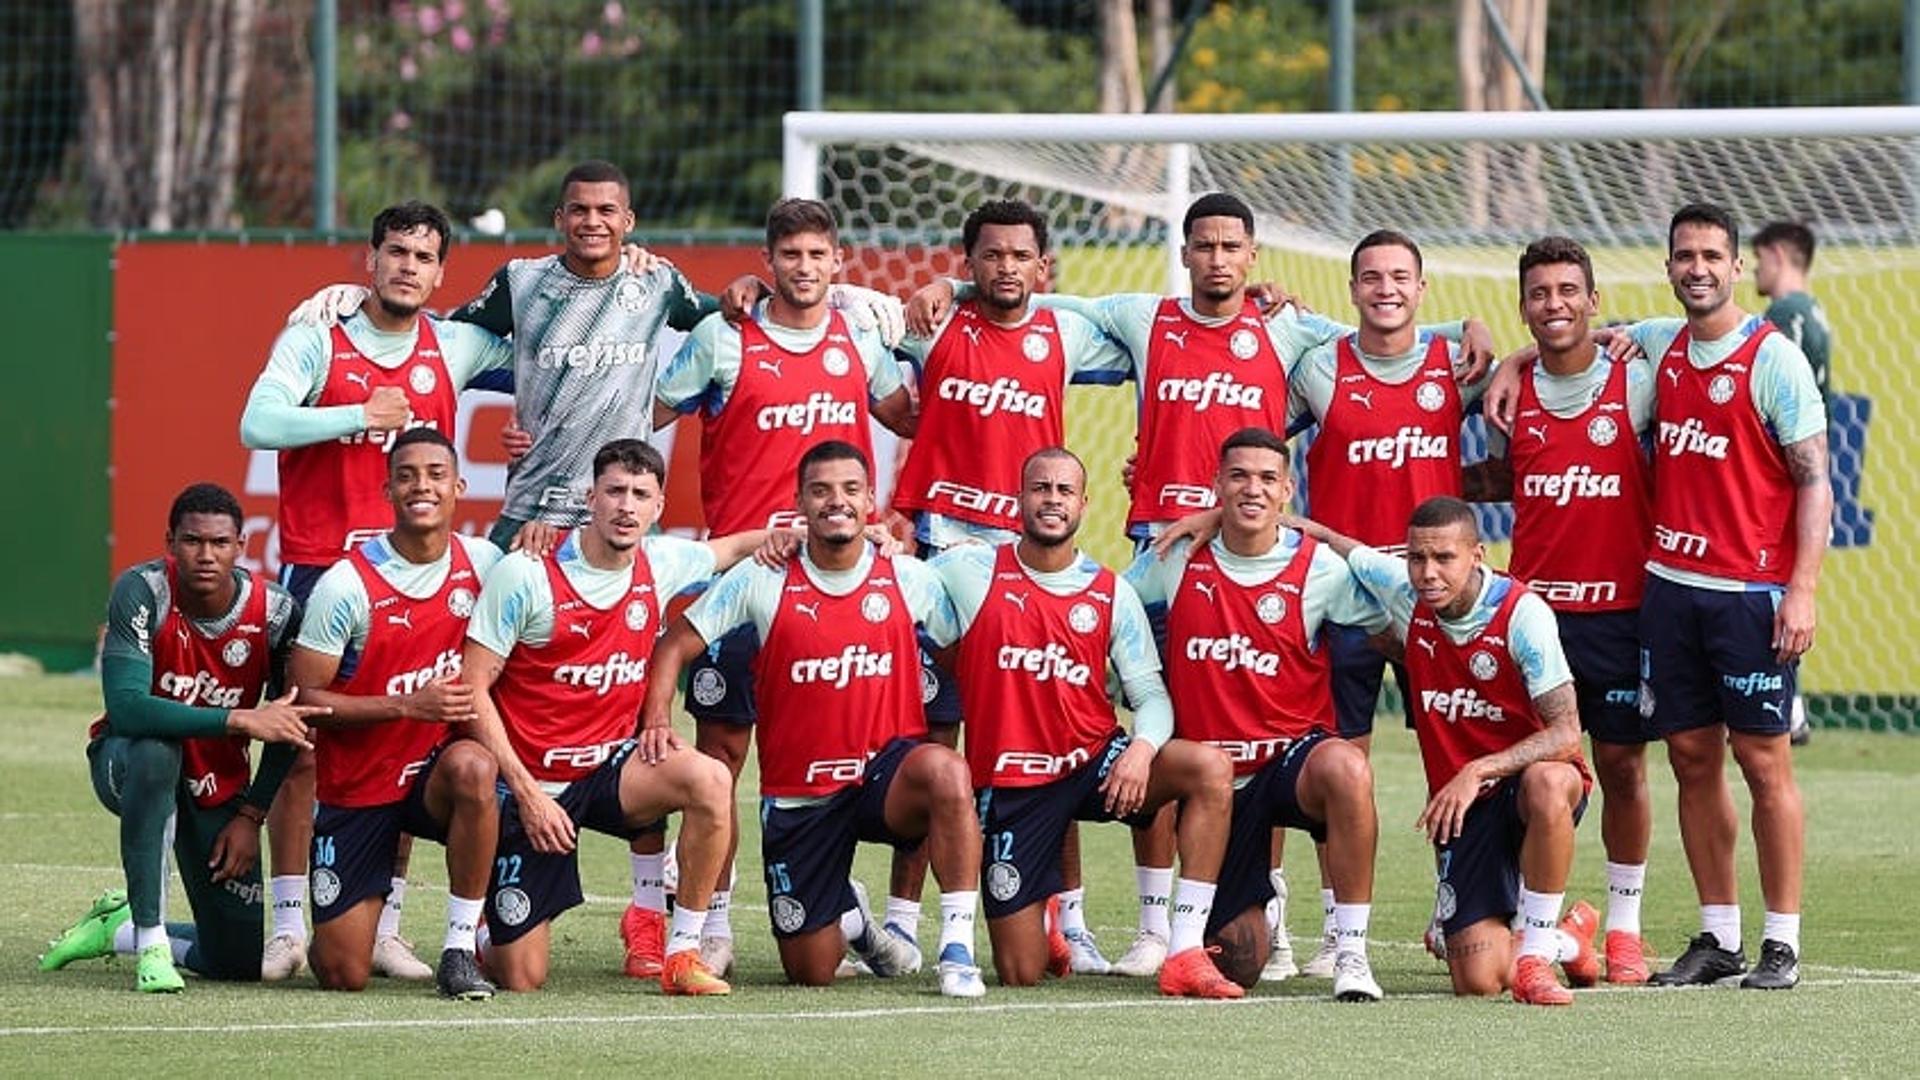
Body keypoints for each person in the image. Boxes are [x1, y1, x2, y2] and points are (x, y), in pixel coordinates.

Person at [910, 192, 1490, 980]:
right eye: (1204, 245)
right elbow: (1034, 297)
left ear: (1253, 259)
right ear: (1185, 254)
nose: (1218, 258)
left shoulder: (1284, 329)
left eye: (1232, 246)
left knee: (1271, 721)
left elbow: (1380, 339)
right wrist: (956, 291)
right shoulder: (1143, 318)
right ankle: (1155, 925)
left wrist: (1474, 333)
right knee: (1162, 733)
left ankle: (1284, 916)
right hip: (1167, 556)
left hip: (1258, 550)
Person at [241, 201, 512, 980]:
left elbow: (554, 350)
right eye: (396, 252)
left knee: (404, 742)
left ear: (439, 273)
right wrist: (359, 412)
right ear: (371, 259)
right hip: (319, 571)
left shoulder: (455, 346)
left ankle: (388, 921)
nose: (408, 267)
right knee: (301, 750)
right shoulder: (315, 338)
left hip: (419, 584)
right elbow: (256, 423)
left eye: (424, 257)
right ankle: (287, 923)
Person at [649, 197, 919, 976]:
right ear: (769, 263)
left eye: (817, 255)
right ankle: (712, 923)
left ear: (838, 263)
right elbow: (645, 413)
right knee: (723, 759)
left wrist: (943, 327)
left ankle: (851, 907)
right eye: (790, 255)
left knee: (846, 756)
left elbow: (910, 420)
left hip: (836, 582)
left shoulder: (859, 339)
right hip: (746, 582)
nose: (804, 268)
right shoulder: (722, 337)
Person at [640, 440, 987, 998]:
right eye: (821, 490)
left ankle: (957, 950)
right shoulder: (763, 578)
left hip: (884, 779)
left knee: (947, 771)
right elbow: (676, 642)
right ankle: (852, 919)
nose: (837, 501)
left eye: (851, 490)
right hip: (803, 798)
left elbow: (960, 656)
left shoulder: (907, 578)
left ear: (871, 499)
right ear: (800, 502)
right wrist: (657, 715)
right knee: (811, 970)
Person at [887, 198, 1133, 975]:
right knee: (935, 743)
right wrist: (938, 294)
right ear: (968, 262)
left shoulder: (1065, 332)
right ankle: (902, 922)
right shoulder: (928, 326)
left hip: (1034, 555)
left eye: (1020, 256)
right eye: (989, 256)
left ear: (1042, 266)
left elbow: (1152, 324)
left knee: (1054, 735)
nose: (1005, 268)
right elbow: (847, 328)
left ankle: (1072, 920)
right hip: (946, 552)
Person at [933, 448, 1240, 998]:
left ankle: (1183, 948)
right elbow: (887, 581)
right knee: (1021, 971)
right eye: (1040, 488)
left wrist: (1141, 750)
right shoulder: (969, 569)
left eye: (1064, 491)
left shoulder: (1110, 591)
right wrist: (880, 542)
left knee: (1208, 768)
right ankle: (1051, 911)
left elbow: (1151, 694)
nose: (1052, 499)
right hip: (1016, 784)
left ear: (1082, 504)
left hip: (1094, 762)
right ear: (1019, 499)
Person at [459, 439, 754, 994]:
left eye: (641, 494)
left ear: (658, 505)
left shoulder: (662, 560)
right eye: (615, 491)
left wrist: (818, 535)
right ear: (589, 497)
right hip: (535, 783)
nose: (626, 505)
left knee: (710, 778)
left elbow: (735, 547)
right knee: (522, 976)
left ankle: (682, 953)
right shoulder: (525, 574)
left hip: (609, 769)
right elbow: (472, 689)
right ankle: (483, 930)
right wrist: (526, 793)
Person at [1633, 205, 1827, 989]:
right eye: (1686, 256)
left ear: (1737, 266)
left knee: (1763, 762)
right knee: (1689, 758)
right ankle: (1720, 935)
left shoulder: (1772, 358)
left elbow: (1816, 483)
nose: (1699, 268)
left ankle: (1782, 940)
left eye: (1713, 255)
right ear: (1670, 265)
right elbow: (1570, 342)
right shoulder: (1654, 345)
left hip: (1749, 595)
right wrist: (1508, 364)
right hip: (1670, 592)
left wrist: (1802, 590)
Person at [1303, 496, 1600, 1006]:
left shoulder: (1522, 613)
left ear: (1477, 555)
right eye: (1417, 558)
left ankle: (1532, 959)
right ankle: (1567, 939)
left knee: (1549, 781)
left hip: (1528, 790)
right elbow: (1327, 540)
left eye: (1444, 558)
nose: (1428, 572)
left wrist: (1477, 770)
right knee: (1477, 981)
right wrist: (1222, 514)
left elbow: (1567, 732)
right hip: (1466, 814)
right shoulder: (1402, 590)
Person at [1461, 236, 1658, 984]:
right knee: (1524, 774)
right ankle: (1522, 913)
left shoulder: (1635, 386)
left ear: (1593, 300)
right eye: (1540, 294)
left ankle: (1626, 929)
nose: (1555, 305)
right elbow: (1508, 480)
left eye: (1568, 291)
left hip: (1619, 612)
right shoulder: (1510, 399)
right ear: (1524, 307)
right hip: (1533, 616)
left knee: (1622, 765)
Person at [38, 484, 323, 992]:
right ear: (171, 542)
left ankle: (118, 929)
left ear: (242, 544)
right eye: (193, 541)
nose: (206, 555)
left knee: (236, 960)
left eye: (219, 543)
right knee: (155, 752)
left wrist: (250, 815)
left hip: (217, 783)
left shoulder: (275, 612)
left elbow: (287, 724)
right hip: (126, 764)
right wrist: (236, 719)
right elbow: (126, 708)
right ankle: (151, 942)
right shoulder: (142, 590)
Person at [1133, 428, 1386, 999]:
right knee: (1239, 958)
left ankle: (1351, 953)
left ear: (1287, 490)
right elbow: (1106, 608)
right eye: (1239, 476)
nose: (1253, 488)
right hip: (1211, 782)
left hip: (1286, 767)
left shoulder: (1320, 569)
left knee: (1347, 767)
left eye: (1267, 478)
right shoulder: (1175, 557)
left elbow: (1393, 614)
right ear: (1216, 485)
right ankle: (1175, 925)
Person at [286, 429, 505, 999]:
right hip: (359, 786)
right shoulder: (346, 585)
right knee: (341, 974)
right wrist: (408, 705)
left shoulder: (486, 564)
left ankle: (459, 947)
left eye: (435, 474)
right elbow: (304, 701)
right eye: (406, 475)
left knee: (476, 768)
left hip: (434, 774)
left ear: (459, 486)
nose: (421, 486)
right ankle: (340, 929)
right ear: (386, 490)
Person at [1753, 220, 1830, 749]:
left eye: (1758, 258)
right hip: (1801, 479)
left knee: (1769, 594)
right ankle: (1791, 708)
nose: (1755, 269)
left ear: (1778, 254)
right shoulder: (1814, 310)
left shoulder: (1786, 316)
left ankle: (1786, 709)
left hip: (1782, 486)